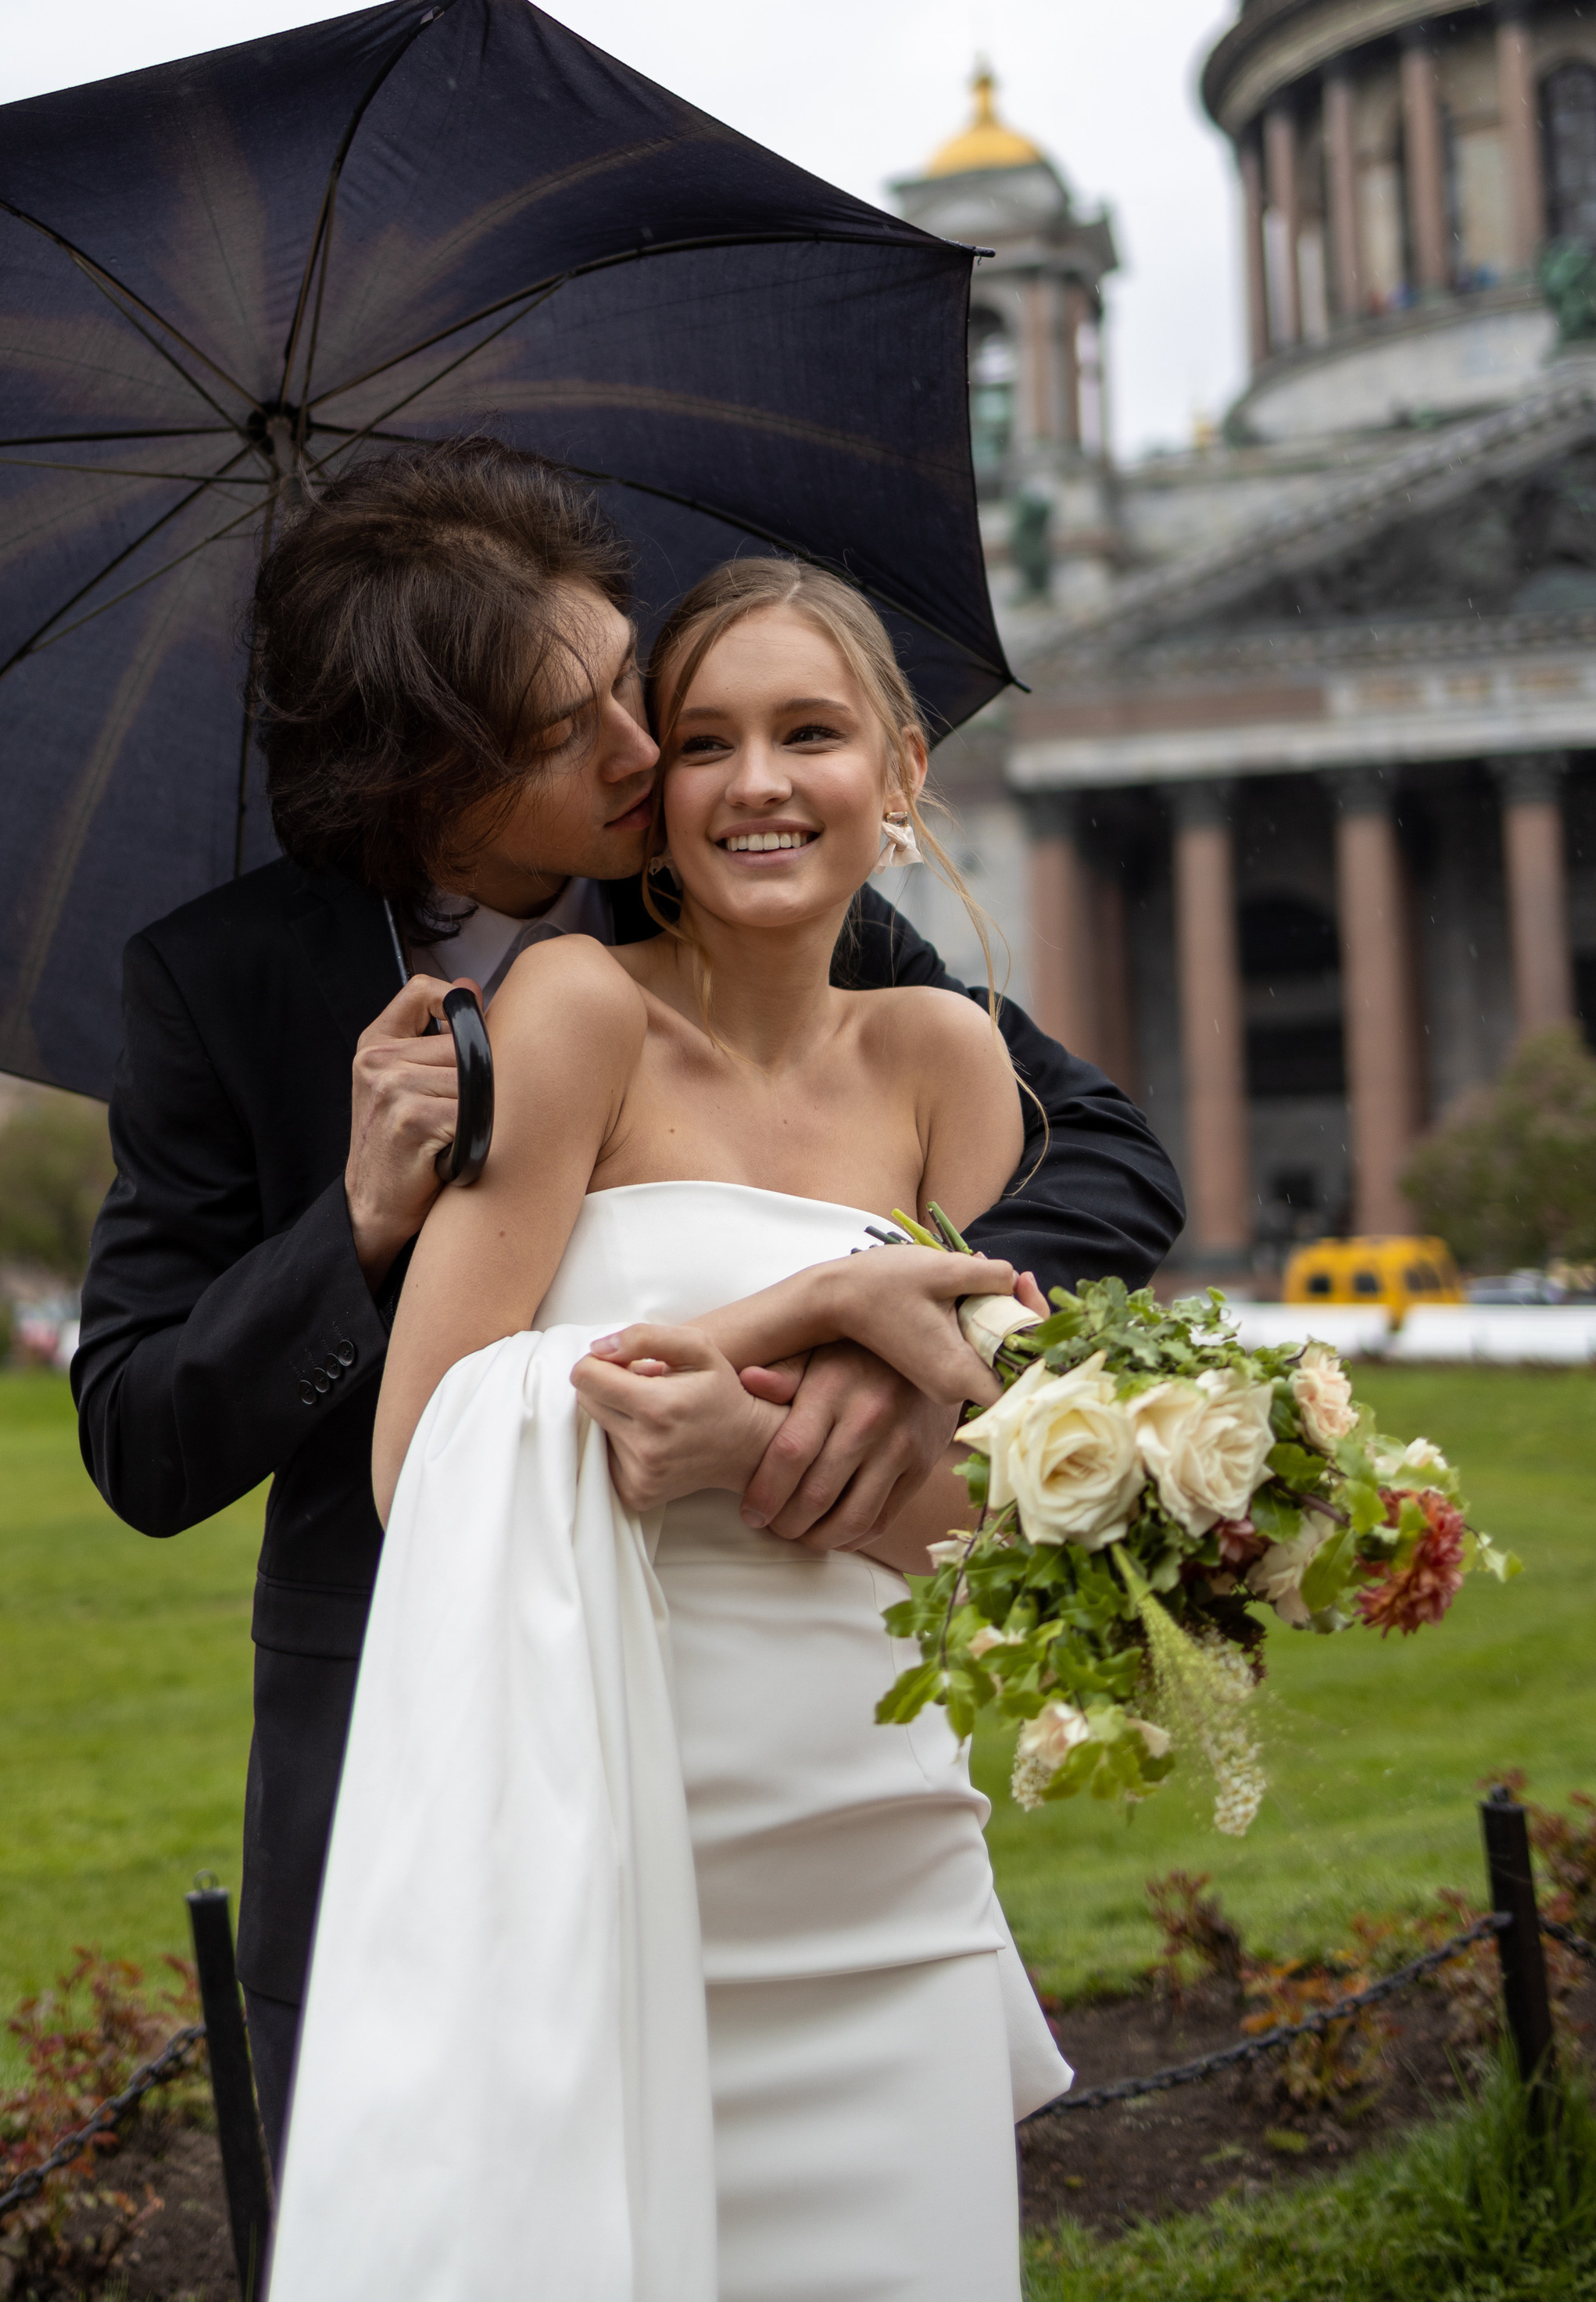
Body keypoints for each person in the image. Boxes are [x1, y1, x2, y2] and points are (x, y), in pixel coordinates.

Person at [70, 440, 1183, 2164]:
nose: (642, 748)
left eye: (618, 677)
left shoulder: (730, 883)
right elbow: (143, 1439)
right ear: (421, 775)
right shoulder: (215, 986)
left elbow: (1102, 1153)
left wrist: (913, 1328)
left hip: (772, 1722)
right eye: (561, 728)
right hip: (401, 1709)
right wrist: (353, 1225)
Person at [270, 557, 1072, 2301]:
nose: (755, 783)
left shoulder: (951, 1062)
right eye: (703, 742)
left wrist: (744, 1445)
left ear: (902, 769)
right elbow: (424, 1449)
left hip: (882, 1857)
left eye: (809, 734)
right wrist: (806, 1306)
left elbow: (990, 1528)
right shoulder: (575, 1008)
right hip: (621, 1846)